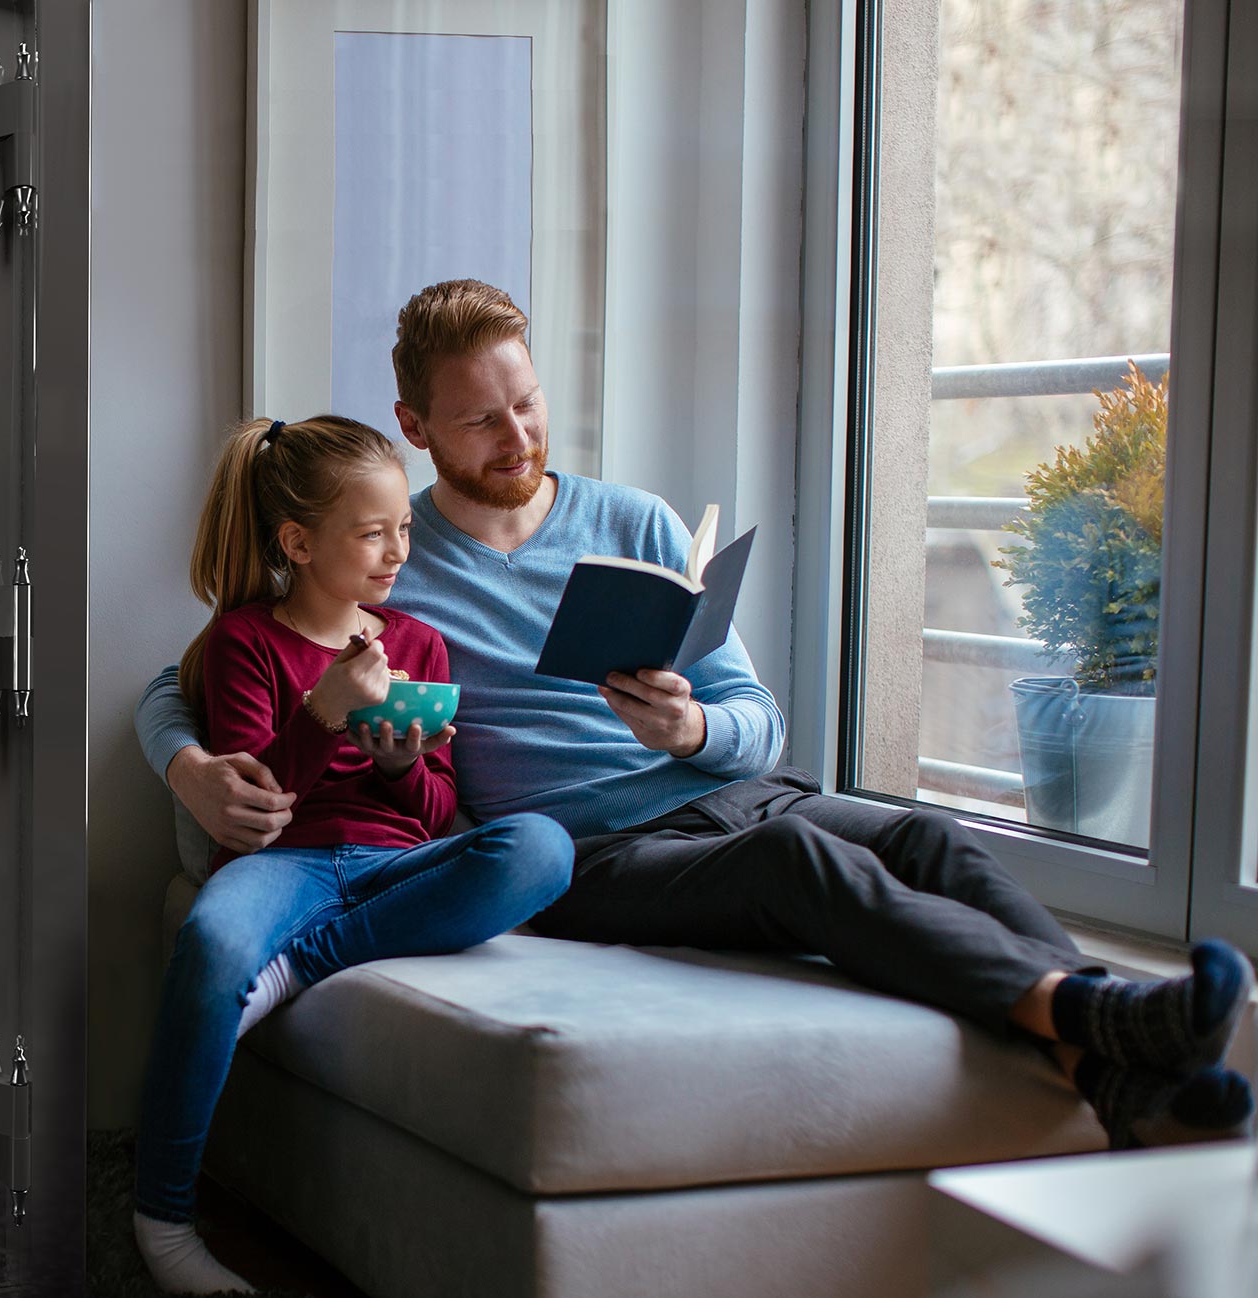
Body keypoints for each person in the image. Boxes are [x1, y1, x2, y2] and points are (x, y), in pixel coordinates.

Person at [136, 279, 1254, 1157]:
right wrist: (184, 763)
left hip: (723, 786)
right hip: (588, 850)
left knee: (920, 835)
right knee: (796, 863)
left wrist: (689, 731)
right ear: (414, 424)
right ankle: (1092, 1013)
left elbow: (753, 715)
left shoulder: (631, 517)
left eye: (524, 402)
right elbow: (192, 672)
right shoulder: (386, 554)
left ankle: (1105, 1055)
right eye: (478, 420)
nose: (516, 436)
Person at [131, 413, 574, 1297]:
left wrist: (403, 764)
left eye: (402, 529)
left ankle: (299, 965)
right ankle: (162, 1218)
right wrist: (326, 710)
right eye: (373, 534)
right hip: (284, 862)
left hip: (388, 864)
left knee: (541, 848)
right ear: (298, 541)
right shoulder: (245, 643)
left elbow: (437, 812)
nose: (396, 551)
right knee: (214, 943)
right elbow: (254, 817)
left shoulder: (417, 644)